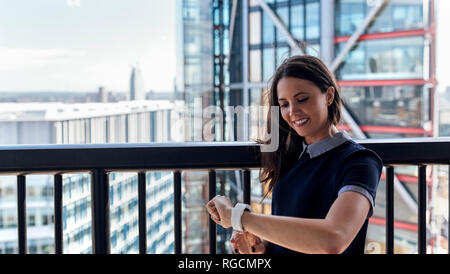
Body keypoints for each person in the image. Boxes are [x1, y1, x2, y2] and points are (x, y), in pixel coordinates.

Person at [205, 55, 383, 254]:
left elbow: (333, 238)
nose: (293, 111)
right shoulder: (291, 158)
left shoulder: (359, 162)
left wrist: (238, 217)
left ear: (329, 96)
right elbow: (295, 236)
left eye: (302, 99)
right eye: (284, 104)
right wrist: (263, 247)